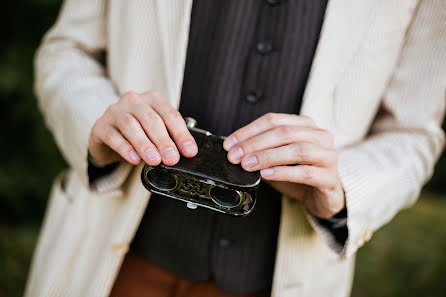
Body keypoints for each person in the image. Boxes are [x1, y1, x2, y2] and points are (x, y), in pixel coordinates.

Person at [25, 1, 446, 297]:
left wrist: (341, 189)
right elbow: (68, 50)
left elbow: (413, 132)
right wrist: (102, 122)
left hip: (281, 277)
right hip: (110, 260)